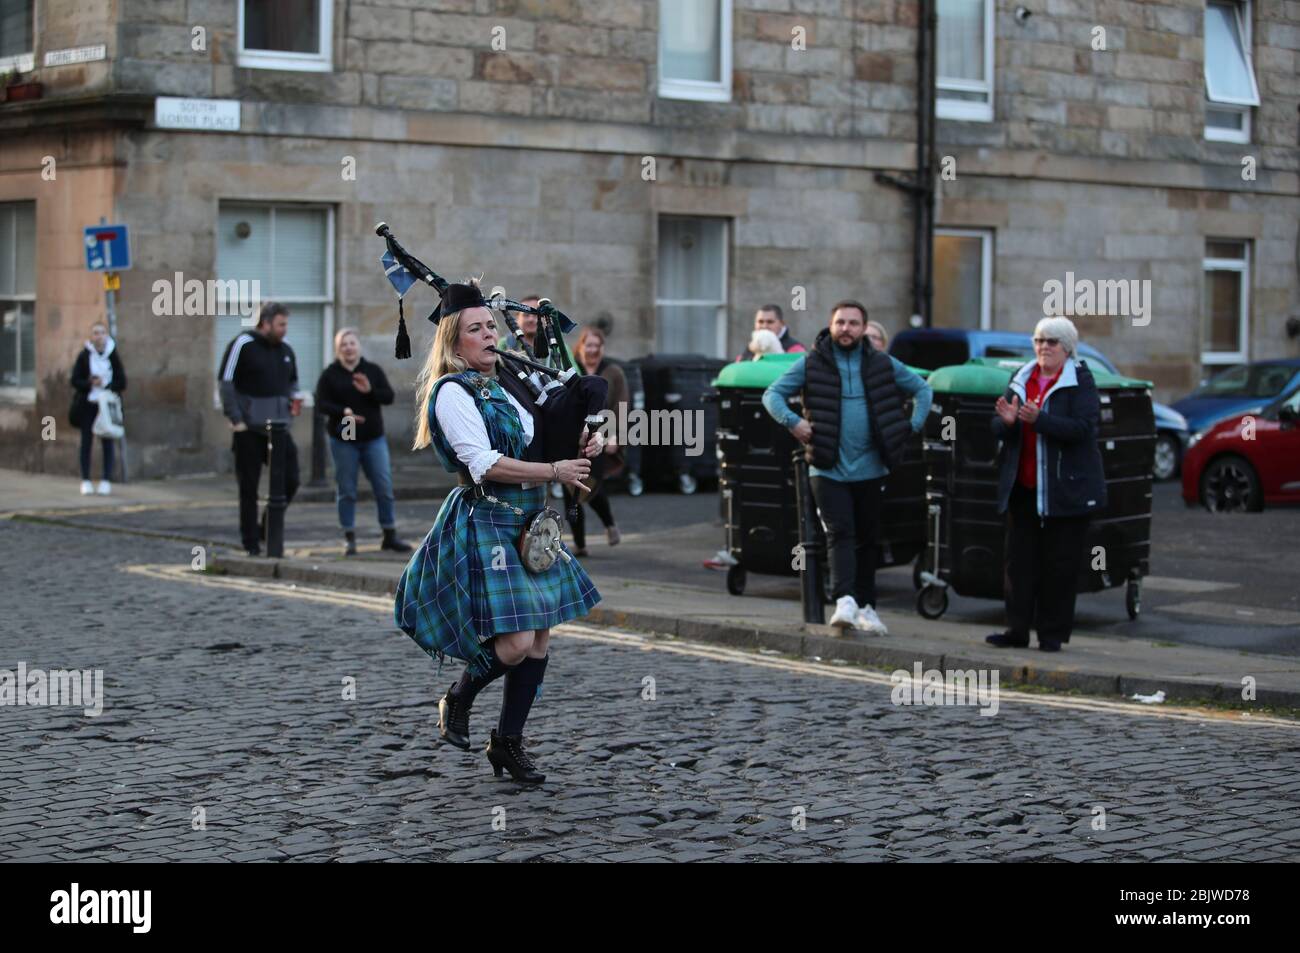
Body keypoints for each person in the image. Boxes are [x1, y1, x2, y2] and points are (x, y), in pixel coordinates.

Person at [394, 280, 602, 785]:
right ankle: (458, 697)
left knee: (538, 641)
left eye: (491, 325)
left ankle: (508, 742)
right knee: (513, 644)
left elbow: (535, 442)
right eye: (476, 329)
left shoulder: (509, 380)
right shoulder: (451, 392)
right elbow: (484, 463)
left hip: (534, 521)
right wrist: (556, 471)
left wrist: (580, 443)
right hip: (489, 518)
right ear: (454, 341)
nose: (489, 334)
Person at [763, 300, 932, 635]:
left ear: (863, 328)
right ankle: (844, 601)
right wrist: (794, 423)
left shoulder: (882, 363)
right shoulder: (812, 362)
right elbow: (772, 395)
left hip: (872, 467)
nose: (846, 329)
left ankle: (867, 607)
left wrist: (908, 428)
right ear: (831, 325)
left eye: (854, 323)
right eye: (840, 322)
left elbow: (923, 389)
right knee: (840, 533)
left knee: (868, 539)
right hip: (827, 465)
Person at [987, 317, 1107, 652]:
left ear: (1067, 348)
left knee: (1060, 564)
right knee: (1018, 563)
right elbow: (999, 424)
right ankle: (1016, 630)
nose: (1043, 348)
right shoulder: (1022, 377)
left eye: (1051, 342)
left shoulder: (1080, 380)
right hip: (1023, 487)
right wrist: (1007, 423)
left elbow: (1084, 428)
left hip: (1065, 489)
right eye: (1039, 341)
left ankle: (1052, 635)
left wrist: (1041, 421)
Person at [314, 328, 411, 556]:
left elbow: (388, 397)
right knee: (347, 488)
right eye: (343, 345)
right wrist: (344, 411)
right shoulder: (330, 375)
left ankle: (389, 534)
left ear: (358, 346)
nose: (348, 348)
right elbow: (321, 405)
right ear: (338, 350)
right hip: (345, 436)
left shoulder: (371, 370)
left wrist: (370, 391)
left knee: (383, 486)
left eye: (352, 343)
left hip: (372, 436)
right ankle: (348, 537)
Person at [218, 301, 302, 556]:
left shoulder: (286, 350)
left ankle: (266, 526)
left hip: (278, 429)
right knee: (249, 488)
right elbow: (226, 382)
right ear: (265, 323)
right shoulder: (242, 344)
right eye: (281, 324)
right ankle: (251, 543)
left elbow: (293, 383)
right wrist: (236, 419)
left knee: (291, 479)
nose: (285, 329)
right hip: (248, 430)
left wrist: (293, 401)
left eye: (286, 324)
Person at [565, 325, 626, 556]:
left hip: (599, 438)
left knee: (590, 485)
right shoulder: (571, 368)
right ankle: (580, 545)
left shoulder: (613, 372)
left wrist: (615, 436)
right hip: (571, 438)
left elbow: (621, 405)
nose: (592, 350)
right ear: (581, 346)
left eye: (597, 346)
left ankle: (609, 523)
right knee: (571, 489)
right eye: (588, 345)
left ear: (602, 348)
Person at [69, 321, 126, 496]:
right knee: (86, 442)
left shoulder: (112, 355)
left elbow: (122, 381)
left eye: (101, 332)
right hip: (89, 404)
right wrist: (89, 382)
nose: (98, 336)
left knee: (107, 442)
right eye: (95, 332)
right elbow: (74, 380)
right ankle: (85, 479)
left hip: (106, 406)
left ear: (106, 335)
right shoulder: (85, 356)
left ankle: (105, 480)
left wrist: (107, 383)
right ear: (91, 336)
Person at [734, 304, 805, 362]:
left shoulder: (795, 349)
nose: (764, 326)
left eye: (770, 322)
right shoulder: (751, 347)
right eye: (760, 322)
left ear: (782, 323)